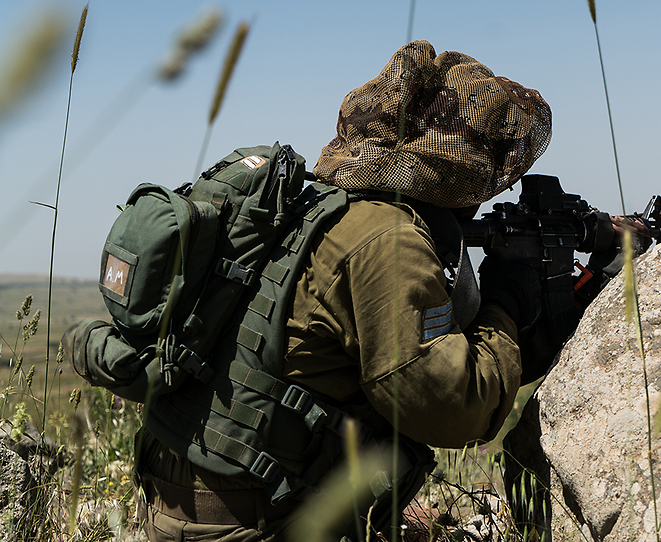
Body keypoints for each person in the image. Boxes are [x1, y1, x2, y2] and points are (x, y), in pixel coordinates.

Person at [136, 41, 556, 541]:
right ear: (456, 169)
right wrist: (506, 306)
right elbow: (454, 408)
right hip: (252, 524)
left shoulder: (310, 207)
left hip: (179, 502)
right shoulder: (386, 238)